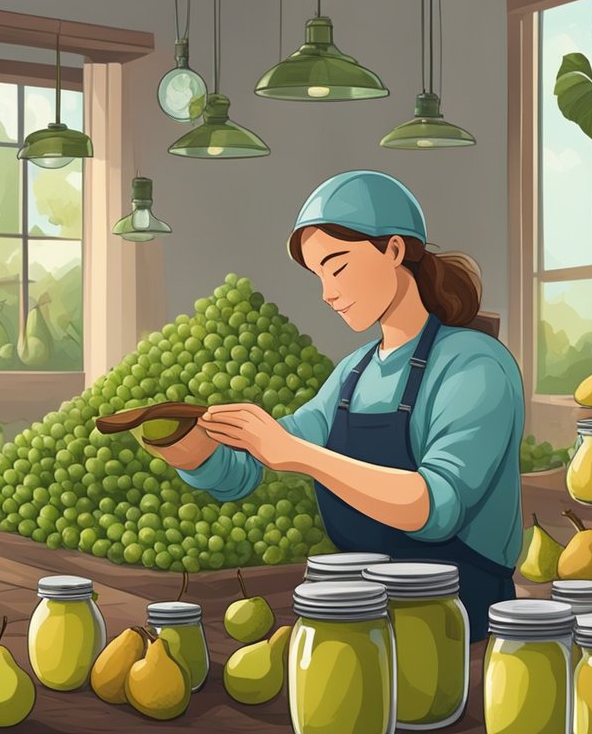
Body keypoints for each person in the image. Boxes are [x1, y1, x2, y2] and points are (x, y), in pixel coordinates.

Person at [151, 170, 525, 637]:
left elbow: (433, 506)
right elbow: (254, 467)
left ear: (394, 249)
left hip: (454, 616)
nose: (327, 293)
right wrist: (195, 450)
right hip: (358, 609)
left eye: (339, 266)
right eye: (318, 276)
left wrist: (301, 456)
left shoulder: (474, 365)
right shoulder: (353, 372)